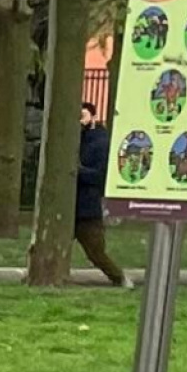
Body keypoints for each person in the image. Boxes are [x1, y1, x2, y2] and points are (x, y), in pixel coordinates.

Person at [74, 100, 126, 284]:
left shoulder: (101, 143)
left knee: (95, 251)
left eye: (83, 117)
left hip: (87, 208)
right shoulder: (73, 139)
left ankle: (119, 278)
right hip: (70, 206)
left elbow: (102, 176)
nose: (79, 122)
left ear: (93, 117)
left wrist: (78, 171)